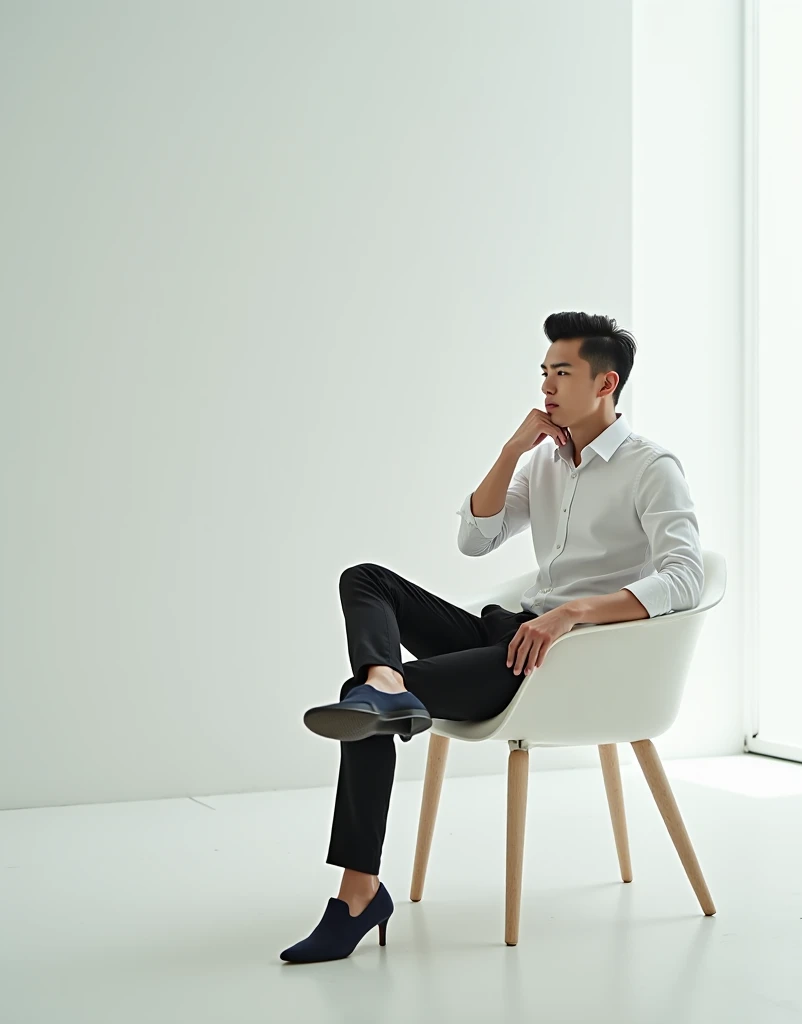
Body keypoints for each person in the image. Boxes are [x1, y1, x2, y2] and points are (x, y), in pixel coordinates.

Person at [279, 311, 704, 963]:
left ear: (605, 383)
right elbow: (474, 540)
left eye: (563, 372)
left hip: (566, 659)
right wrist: (512, 451)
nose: (548, 386)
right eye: (544, 372)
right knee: (366, 580)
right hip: (510, 637)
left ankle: (358, 896)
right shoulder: (546, 464)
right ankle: (386, 682)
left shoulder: (651, 466)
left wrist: (573, 615)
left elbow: (685, 579)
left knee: (355, 702)